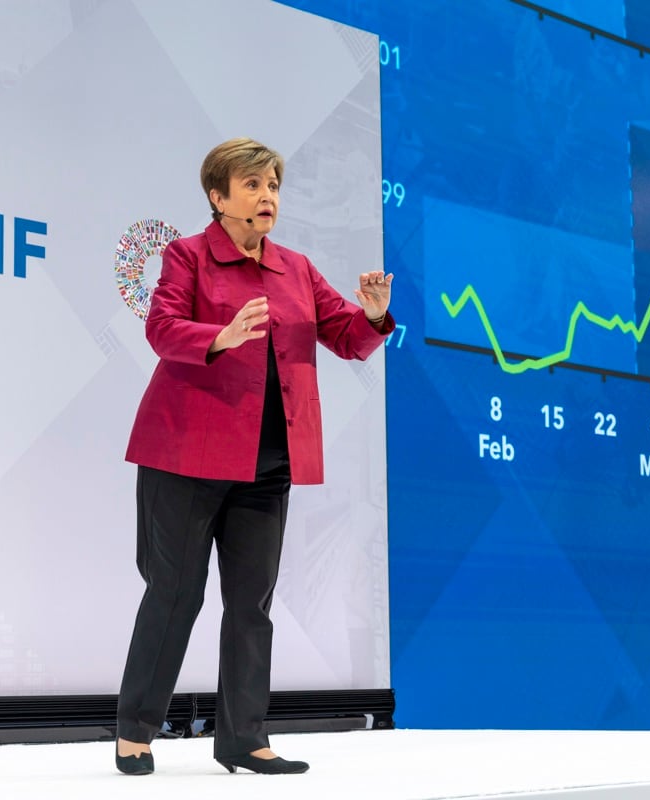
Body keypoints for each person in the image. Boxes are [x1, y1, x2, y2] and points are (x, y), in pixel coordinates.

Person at [114, 137, 393, 776]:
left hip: (267, 466)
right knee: (175, 593)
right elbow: (161, 328)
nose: (267, 197)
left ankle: (244, 737)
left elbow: (346, 337)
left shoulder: (295, 268)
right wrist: (221, 335)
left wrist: (374, 316)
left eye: (273, 186)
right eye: (252, 185)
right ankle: (136, 729)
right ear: (218, 197)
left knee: (251, 604)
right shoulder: (186, 256)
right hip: (187, 454)